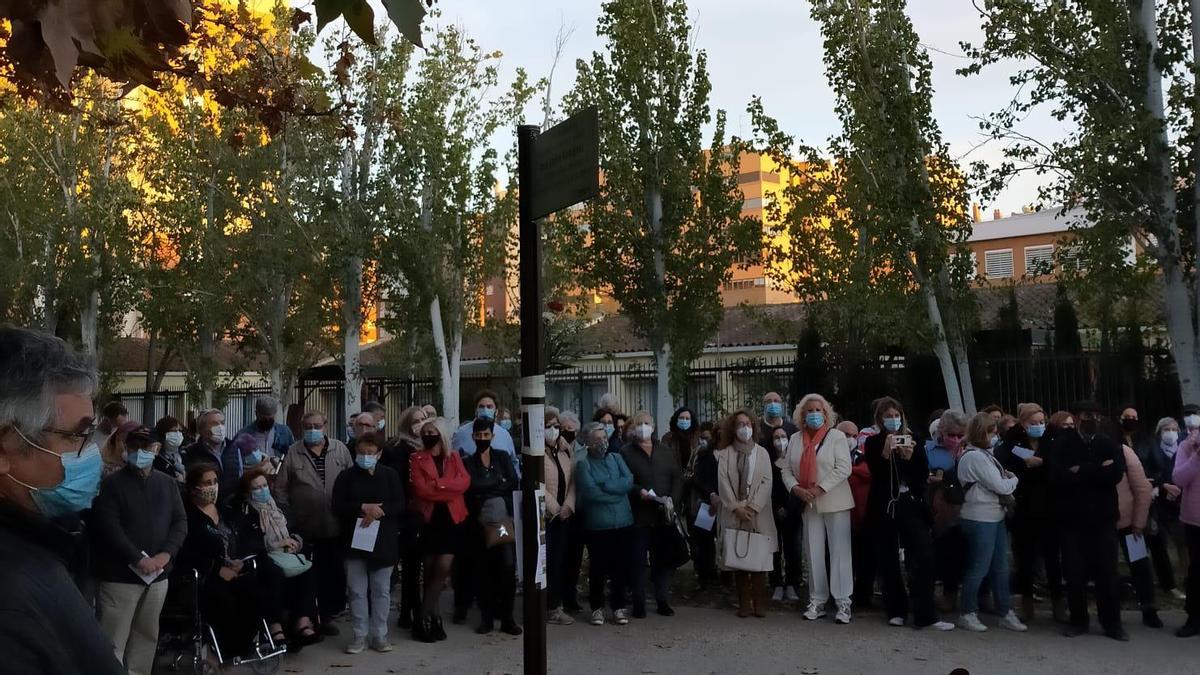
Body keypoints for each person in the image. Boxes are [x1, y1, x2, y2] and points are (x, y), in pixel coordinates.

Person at [91, 426, 187, 675]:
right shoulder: (113, 484)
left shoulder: (167, 484)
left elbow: (180, 522)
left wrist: (166, 554)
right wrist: (136, 558)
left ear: (156, 450)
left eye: (146, 447)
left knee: (146, 637)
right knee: (113, 639)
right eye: (134, 447)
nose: (139, 452)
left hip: (158, 577)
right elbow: (108, 526)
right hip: (119, 577)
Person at [863, 397, 955, 631]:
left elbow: (921, 475)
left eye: (896, 416)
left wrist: (908, 457)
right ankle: (896, 610)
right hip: (885, 506)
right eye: (888, 416)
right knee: (889, 559)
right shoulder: (873, 443)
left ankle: (926, 614)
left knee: (924, 555)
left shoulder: (914, 440)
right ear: (879, 419)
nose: (893, 420)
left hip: (911, 505)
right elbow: (877, 475)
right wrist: (886, 454)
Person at [1048, 400, 1127, 641]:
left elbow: (1115, 474)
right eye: (1086, 415)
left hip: (1103, 519)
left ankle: (1112, 624)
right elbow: (1056, 475)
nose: (1091, 419)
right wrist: (1096, 471)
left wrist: (1080, 470)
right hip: (1072, 520)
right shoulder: (1063, 443)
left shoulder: (1109, 442)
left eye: (1095, 415)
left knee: (1107, 573)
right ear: (1076, 417)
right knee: (1075, 573)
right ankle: (1078, 620)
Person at [277, 410, 354, 636]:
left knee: (333, 573)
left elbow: (351, 480)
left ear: (326, 425)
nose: (312, 430)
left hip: (335, 525)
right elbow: (281, 488)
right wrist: (288, 518)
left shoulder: (340, 449)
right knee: (309, 574)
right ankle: (307, 618)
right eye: (308, 426)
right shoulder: (293, 452)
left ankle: (328, 616)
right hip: (304, 527)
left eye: (316, 426)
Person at [779, 395, 854, 623]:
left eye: (818, 410)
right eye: (809, 410)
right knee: (813, 553)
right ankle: (817, 600)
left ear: (825, 413)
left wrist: (820, 488)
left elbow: (844, 467)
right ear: (802, 415)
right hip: (807, 503)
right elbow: (786, 470)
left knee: (840, 552)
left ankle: (843, 603)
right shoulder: (794, 439)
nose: (814, 414)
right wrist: (796, 489)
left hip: (835, 501)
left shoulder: (836, 436)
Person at [227, 470, 321, 648]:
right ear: (248, 492)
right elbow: (247, 543)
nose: (262, 490)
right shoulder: (244, 512)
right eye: (257, 488)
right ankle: (274, 625)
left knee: (307, 569)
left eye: (264, 486)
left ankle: (302, 620)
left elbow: (297, 528)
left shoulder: (278, 506)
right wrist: (275, 545)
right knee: (273, 573)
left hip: (286, 553)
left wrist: (295, 541)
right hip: (262, 557)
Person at [332, 432, 404, 653]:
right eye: (361, 452)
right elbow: (337, 506)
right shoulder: (346, 477)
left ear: (379, 454)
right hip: (353, 544)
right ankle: (359, 635)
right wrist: (363, 507)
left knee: (381, 590)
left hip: (384, 543)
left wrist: (378, 511)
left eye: (370, 453)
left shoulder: (390, 475)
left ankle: (379, 634)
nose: (365, 456)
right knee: (356, 591)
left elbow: (400, 504)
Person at [956, 412, 1026, 633]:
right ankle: (968, 611)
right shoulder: (974, 457)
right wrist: (1014, 478)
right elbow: (1001, 485)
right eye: (991, 431)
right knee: (979, 567)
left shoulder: (987, 455)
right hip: (979, 517)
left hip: (994, 516)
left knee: (1000, 568)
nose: (995, 435)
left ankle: (1005, 611)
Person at [995, 402, 1064, 623]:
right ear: (1023, 424)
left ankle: (1058, 601)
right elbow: (1004, 466)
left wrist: (1043, 464)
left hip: (1050, 507)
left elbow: (1061, 466)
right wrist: (1024, 466)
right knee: (1024, 558)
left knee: (1053, 558)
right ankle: (1026, 601)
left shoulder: (1053, 439)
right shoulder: (1011, 443)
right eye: (1033, 423)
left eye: (1041, 422)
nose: (1038, 426)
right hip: (1023, 508)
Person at [409, 418, 470, 642]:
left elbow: (464, 483)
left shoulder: (453, 457)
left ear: (441, 434)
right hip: (429, 520)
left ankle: (422, 616)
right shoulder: (416, 458)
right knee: (431, 569)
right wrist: (446, 488)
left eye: (432, 431)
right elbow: (421, 490)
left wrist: (439, 485)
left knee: (442, 569)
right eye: (425, 432)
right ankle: (433, 618)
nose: (428, 435)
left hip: (452, 519)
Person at [716, 409, 778, 618]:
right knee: (739, 556)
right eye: (740, 424)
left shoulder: (762, 453)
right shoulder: (725, 454)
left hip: (758, 512)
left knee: (759, 558)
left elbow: (767, 481)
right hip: (735, 511)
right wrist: (737, 507)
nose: (745, 428)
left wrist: (752, 508)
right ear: (733, 428)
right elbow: (723, 483)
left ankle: (759, 603)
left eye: (748, 424)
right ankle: (743, 603)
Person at [621, 411, 684, 617]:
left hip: (663, 515)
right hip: (639, 515)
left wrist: (671, 501)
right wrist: (637, 490)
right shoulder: (626, 452)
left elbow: (677, 478)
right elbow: (624, 480)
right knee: (638, 560)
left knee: (663, 561)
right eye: (638, 424)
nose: (642, 427)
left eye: (646, 423)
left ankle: (662, 600)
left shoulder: (665, 451)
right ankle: (638, 602)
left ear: (654, 426)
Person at [463, 418, 522, 636]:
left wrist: (488, 488)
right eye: (478, 435)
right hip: (479, 523)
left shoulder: (502, 456)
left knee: (507, 567)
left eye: (486, 435)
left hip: (502, 522)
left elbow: (513, 481)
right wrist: (497, 483)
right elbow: (471, 487)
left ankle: (507, 617)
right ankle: (486, 618)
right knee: (483, 571)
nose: (482, 439)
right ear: (473, 437)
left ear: (493, 436)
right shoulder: (469, 461)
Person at [575, 422, 635, 626]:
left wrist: (608, 486)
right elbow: (591, 494)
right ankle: (597, 608)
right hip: (598, 525)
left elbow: (629, 481)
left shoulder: (617, 458)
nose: (603, 441)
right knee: (598, 568)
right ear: (588, 443)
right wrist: (616, 493)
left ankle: (618, 607)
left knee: (621, 567)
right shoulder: (584, 464)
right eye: (598, 439)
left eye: (604, 437)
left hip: (623, 522)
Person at [385, 405, 427, 630]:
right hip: (405, 514)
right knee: (409, 566)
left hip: (422, 514)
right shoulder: (399, 449)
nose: (420, 424)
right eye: (415, 421)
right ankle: (410, 611)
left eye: (423, 419)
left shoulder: (428, 447)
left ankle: (408, 612)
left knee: (414, 565)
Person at [1115, 433, 1162, 628]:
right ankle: (1111, 610)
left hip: (1130, 524)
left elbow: (1143, 489)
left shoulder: (1124, 452)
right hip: (1102, 525)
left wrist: (1139, 523)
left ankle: (1149, 608)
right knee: (1105, 568)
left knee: (1140, 566)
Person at [1144, 416, 1188, 602]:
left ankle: (1187, 580)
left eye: (1174, 429)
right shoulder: (1150, 448)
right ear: (1159, 432)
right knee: (1159, 545)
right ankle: (1167, 584)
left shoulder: (1185, 448)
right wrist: (1163, 486)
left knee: (1184, 544)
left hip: (1180, 503)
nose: (1171, 433)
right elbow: (1147, 473)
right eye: (1166, 429)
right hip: (1158, 504)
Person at [927, 411, 967, 614]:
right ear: (941, 431)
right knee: (940, 553)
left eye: (961, 435)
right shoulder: (929, 449)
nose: (956, 439)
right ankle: (939, 596)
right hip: (939, 510)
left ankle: (956, 595)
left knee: (961, 554)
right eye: (952, 435)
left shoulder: (968, 450)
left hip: (967, 509)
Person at [544, 411, 577, 625]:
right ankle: (550, 607)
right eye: (548, 425)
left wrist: (568, 506)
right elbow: (536, 484)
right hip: (547, 516)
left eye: (556, 426)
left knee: (562, 561)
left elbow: (573, 481)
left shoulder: (566, 451)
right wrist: (556, 509)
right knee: (549, 563)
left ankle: (559, 604)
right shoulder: (536, 453)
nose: (554, 430)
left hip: (565, 515)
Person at [1173, 409, 1200, 638]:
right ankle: (1194, 617)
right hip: (1195, 520)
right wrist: (1196, 458)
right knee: (1197, 570)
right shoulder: (1187, 446)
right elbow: (1178, 479)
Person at [687, 421, 721, 589]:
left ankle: (716, 573)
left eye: (707, 438)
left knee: (719, 540)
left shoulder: (721, 454)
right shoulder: (701, 455)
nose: (703, 441)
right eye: (702, 437)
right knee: (704, 540)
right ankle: (704, 575)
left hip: (722, 502)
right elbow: (697, 478)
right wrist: (710, 494)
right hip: (705, 504)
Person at [183, 409, 241, 504]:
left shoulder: (234, 448)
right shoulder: (191, 452)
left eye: (222, 423)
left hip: (233, 505)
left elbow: (239, 475)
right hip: (206, 505)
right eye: (214, 424)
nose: (220, 427)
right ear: (202, 429)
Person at [451, 391, 517, 469]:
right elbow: (452, 461)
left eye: (489, 407)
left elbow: (513, 462)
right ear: (476, 410)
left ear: (496, 412)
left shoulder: (504, 435)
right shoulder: (461, 434)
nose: (485, 409)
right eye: (481, 407)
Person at [663, 407, 698, 484]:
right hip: (673, 479)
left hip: (694, 480)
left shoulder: (697, 438)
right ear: (676, 419)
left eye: (687, 418)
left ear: (691, 421)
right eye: (681, 418)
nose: (684, 420)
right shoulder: (668, 438)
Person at [153, 415, 187, 481]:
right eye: (173, 431)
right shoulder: (156, 458)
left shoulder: (185, 454)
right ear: (163, 433)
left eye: (180, 431)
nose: (178, 434)